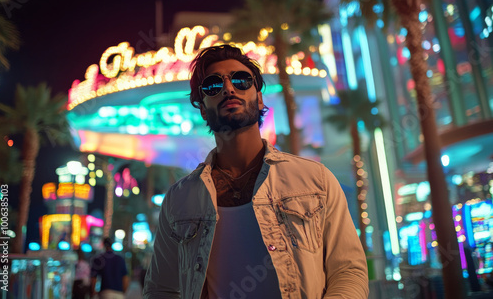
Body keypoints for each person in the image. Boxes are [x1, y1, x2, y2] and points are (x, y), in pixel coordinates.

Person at [143, 44, 369, 298]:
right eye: (213, 86)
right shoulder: (179, 199)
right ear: (203, 108)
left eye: (241, 80)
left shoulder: (315, 180)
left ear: (259, 97)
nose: (228, 89)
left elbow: (348, 271)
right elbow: (161, 289)